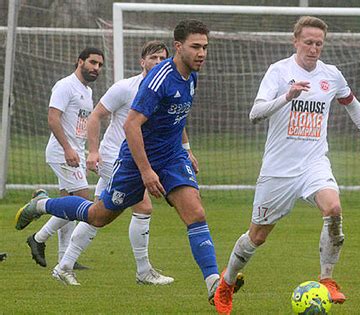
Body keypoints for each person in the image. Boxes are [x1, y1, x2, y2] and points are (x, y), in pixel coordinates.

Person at [15, 19, 240, 304]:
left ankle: (214, 285)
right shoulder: (157, 79)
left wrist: (187, 149)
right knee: (98, 215)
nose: (202, 53)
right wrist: (145, 171)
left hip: (171, 157)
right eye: (196, 47)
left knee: (196, 213)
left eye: (205, 47)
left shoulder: (192, 76)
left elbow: (177, 116)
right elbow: (131, 125)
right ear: (178, 46)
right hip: (135, 162)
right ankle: (41, 205)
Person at [213, 16, 360, 314]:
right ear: (295, 41)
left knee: (333, 209)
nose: (314, 48)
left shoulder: (331, 75)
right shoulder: (279, 72)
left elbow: (352, 103)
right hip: (278, 170)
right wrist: (287, 96)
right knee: (257, 237)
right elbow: (255, 113)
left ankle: (327, 280)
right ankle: (226, 284)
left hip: (313, 164)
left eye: (319, 43)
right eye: (308, 42)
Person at [49, 40, 176, 286]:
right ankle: (143, 271)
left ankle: (63, 264)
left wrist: (185, 150)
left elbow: (175, 123)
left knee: (98, 214)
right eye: (154, 58)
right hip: (115, 159)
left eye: (163, 59)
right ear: (142, 62)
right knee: (144, 207)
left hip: (132, 161)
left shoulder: (165, 90)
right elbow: (96, 115)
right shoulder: (125, 88)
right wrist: (94, 151)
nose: (159, 63)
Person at [25, 47, 104, 271]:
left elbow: (83, 124)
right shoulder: (65, 85)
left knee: (66, 204)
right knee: (82, 202)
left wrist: (89, 152)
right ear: (79, 61)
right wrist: (69, 149)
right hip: (62, 152)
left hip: (75, 153)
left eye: (99, 65)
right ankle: (38, 238)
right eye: (92, 62)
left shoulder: (86, 91)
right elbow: (53, 119)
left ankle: (63, 256)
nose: (96, 68)